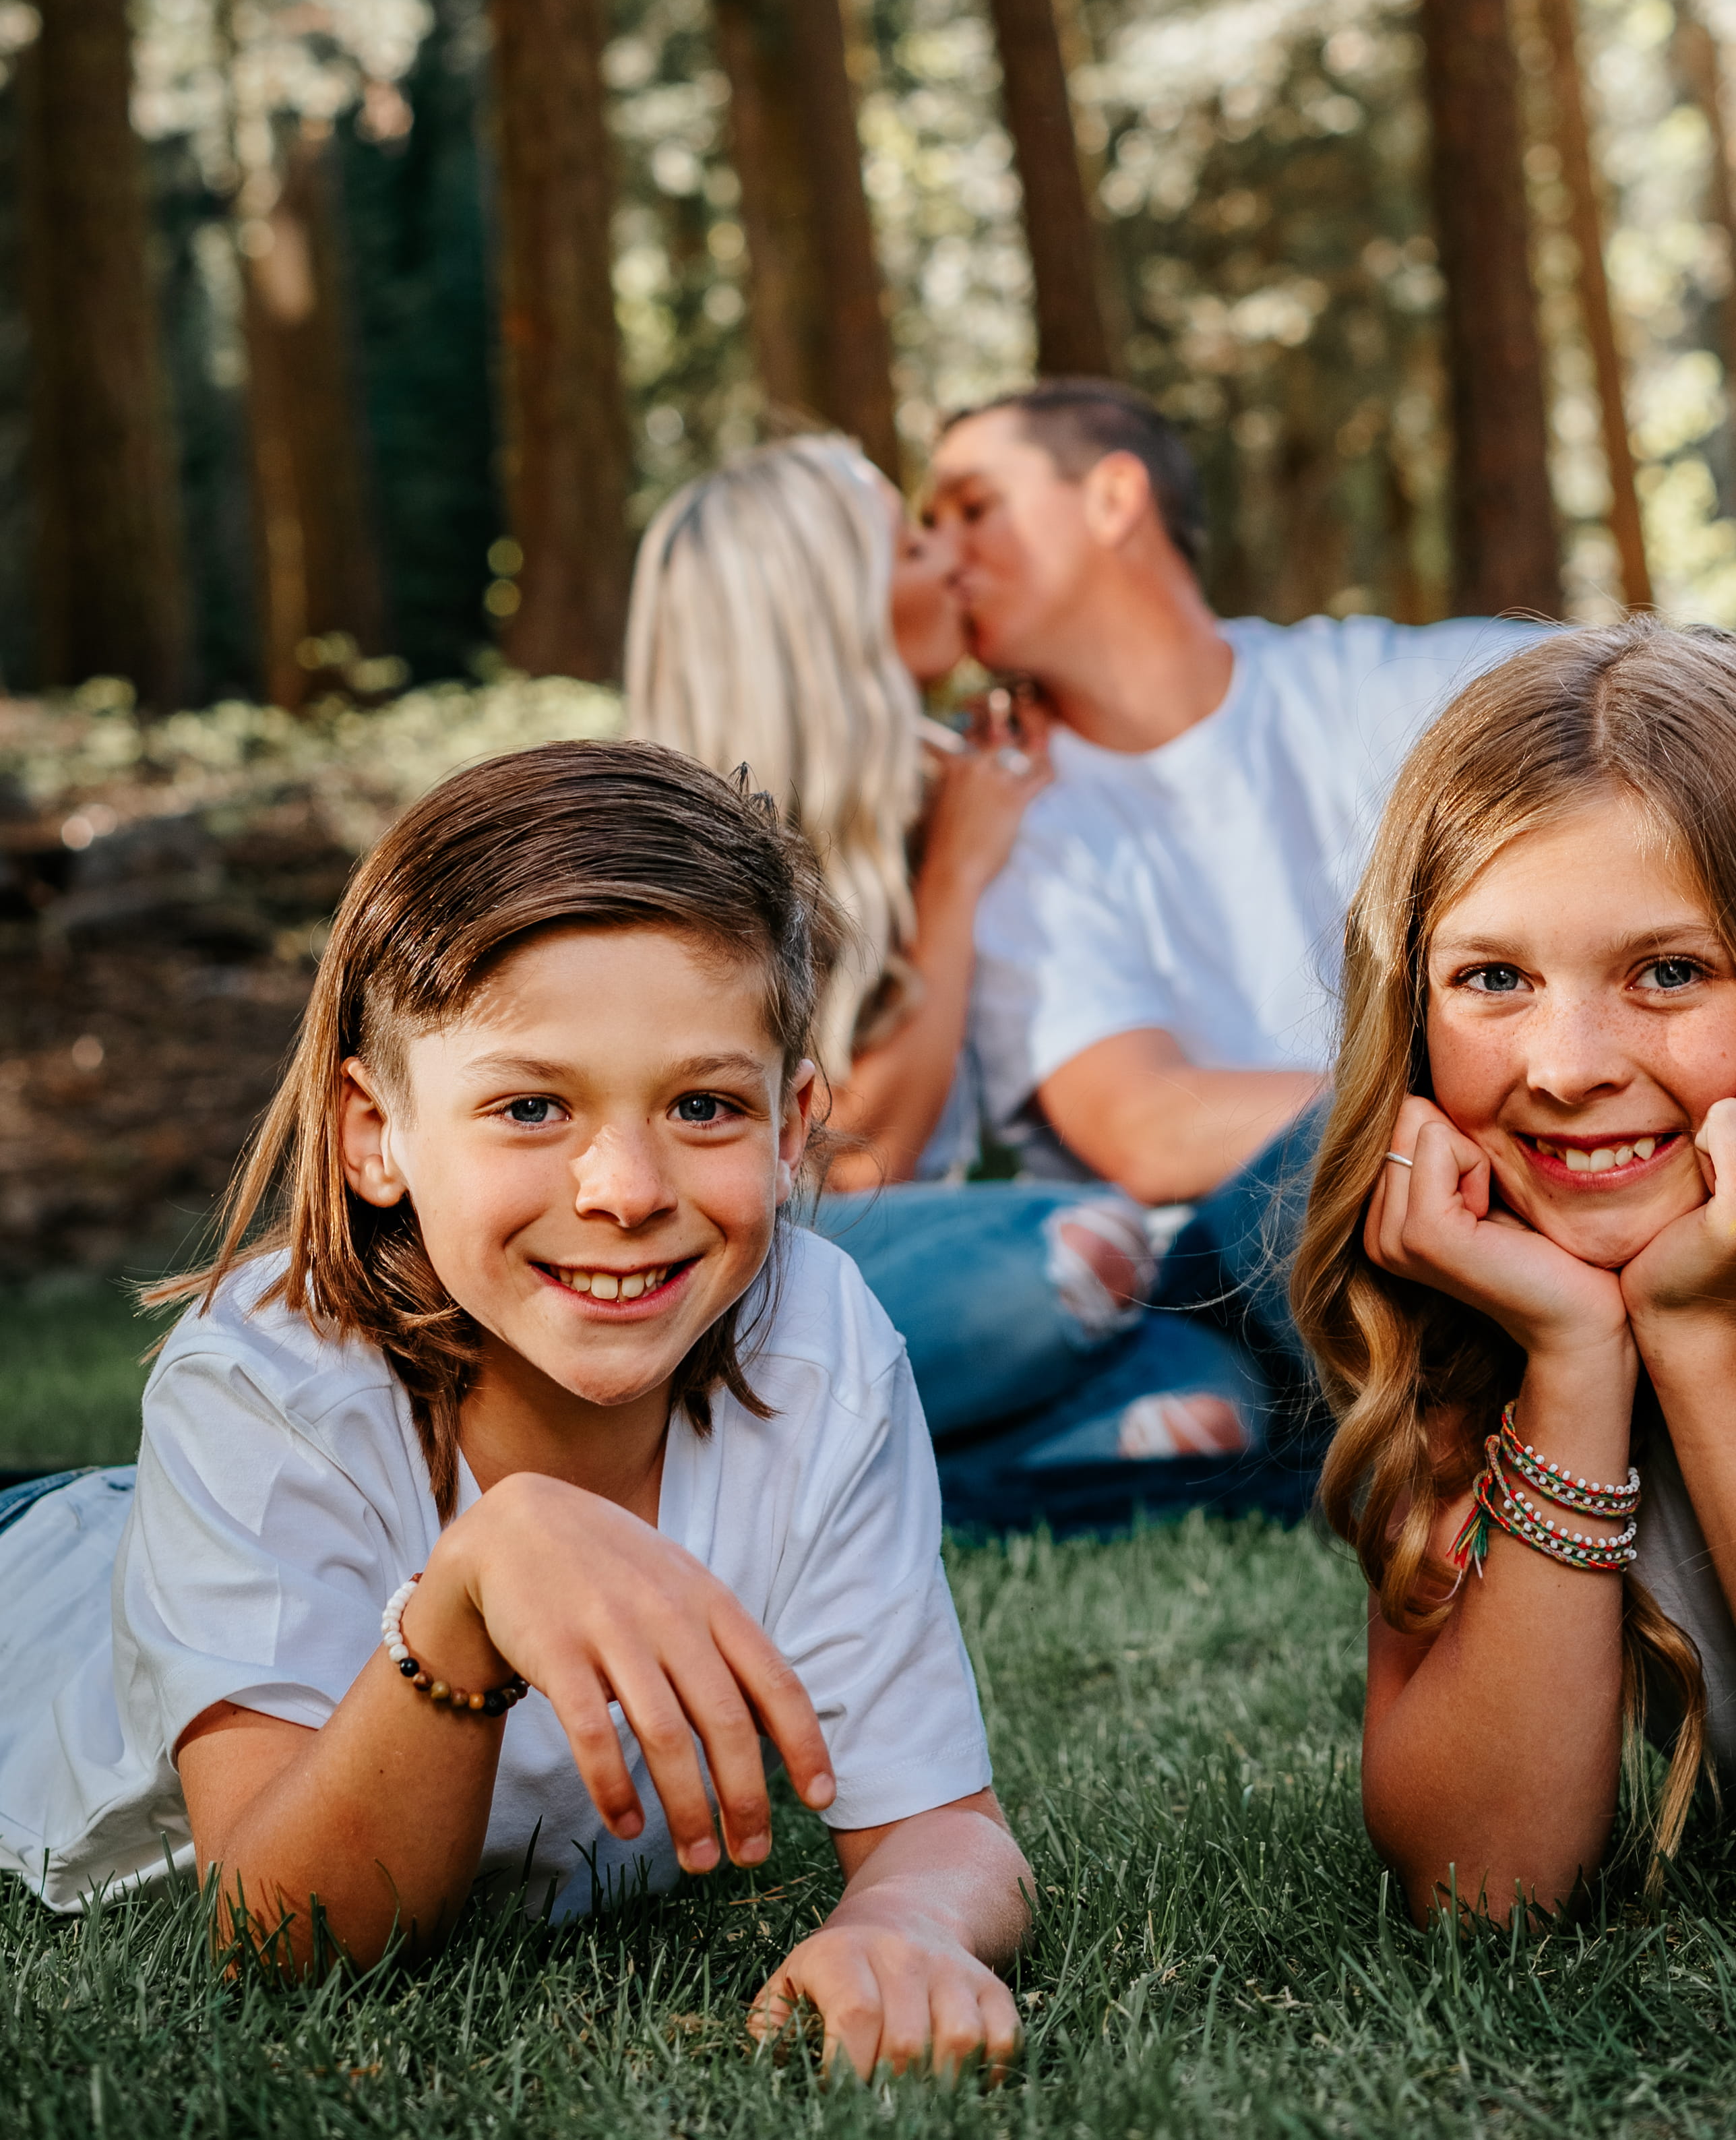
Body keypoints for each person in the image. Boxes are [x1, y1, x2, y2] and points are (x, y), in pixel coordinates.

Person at [0, 742, 1027, 2082]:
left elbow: (949, 1828)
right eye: (529, 1103)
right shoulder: (259, 1377)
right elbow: (278, 1930)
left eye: (703, 1103)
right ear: (374, 1132)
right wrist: (470, 1592)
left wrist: (901, 1923)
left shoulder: (821, 1339)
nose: (623, 1183)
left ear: (793, 1125)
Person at [1291, 620, 1736, 1927]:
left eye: (1668, 968)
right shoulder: (1481, 1273)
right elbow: (1482, 1881)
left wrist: (1710, 1331)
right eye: (1492, 975)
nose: (1565, 1063)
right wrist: (1573, 1355)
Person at [623, 434, 1197, 1465]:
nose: (949, 561)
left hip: (911, 1262)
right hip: (732, 1280)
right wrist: (956, 878)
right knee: (1073, 1257)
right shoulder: (672, 853)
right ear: (828, 610)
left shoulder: (945, 777)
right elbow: (850, 1159)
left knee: (1209, 1375)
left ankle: (902, 1467)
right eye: (909, 544)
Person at [935, 381, 1517, 1203]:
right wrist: (1474, 1114)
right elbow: (1146, 1128)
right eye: (930, 528)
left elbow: (1658, 697)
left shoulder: (1374, 689)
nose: (943, 560)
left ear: (1112, 499)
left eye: (973, 508)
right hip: (1231, 1258)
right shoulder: (1004, 810)